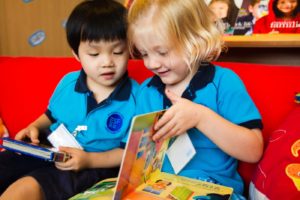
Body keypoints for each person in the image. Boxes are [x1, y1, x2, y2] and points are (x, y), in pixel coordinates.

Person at [0, 0, 139, 199]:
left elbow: (129, 153)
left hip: (92, 165)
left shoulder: (138, 97)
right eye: (94, 53)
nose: (107, 62)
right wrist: (34, 126)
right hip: (49, 149)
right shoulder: (68, 82)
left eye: (118, 51)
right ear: (77, 54)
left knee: (26, 189)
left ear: (130, 49)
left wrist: (89, 160)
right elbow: (50, 115)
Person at [127, 0, 263, 199]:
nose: (152, 63)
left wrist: (200, 117)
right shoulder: (147, 91)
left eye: (162, 52)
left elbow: (254, 150)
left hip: (212, 190)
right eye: (144, 53)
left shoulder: (224, 82)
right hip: (159, 190)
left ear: (196, 39)